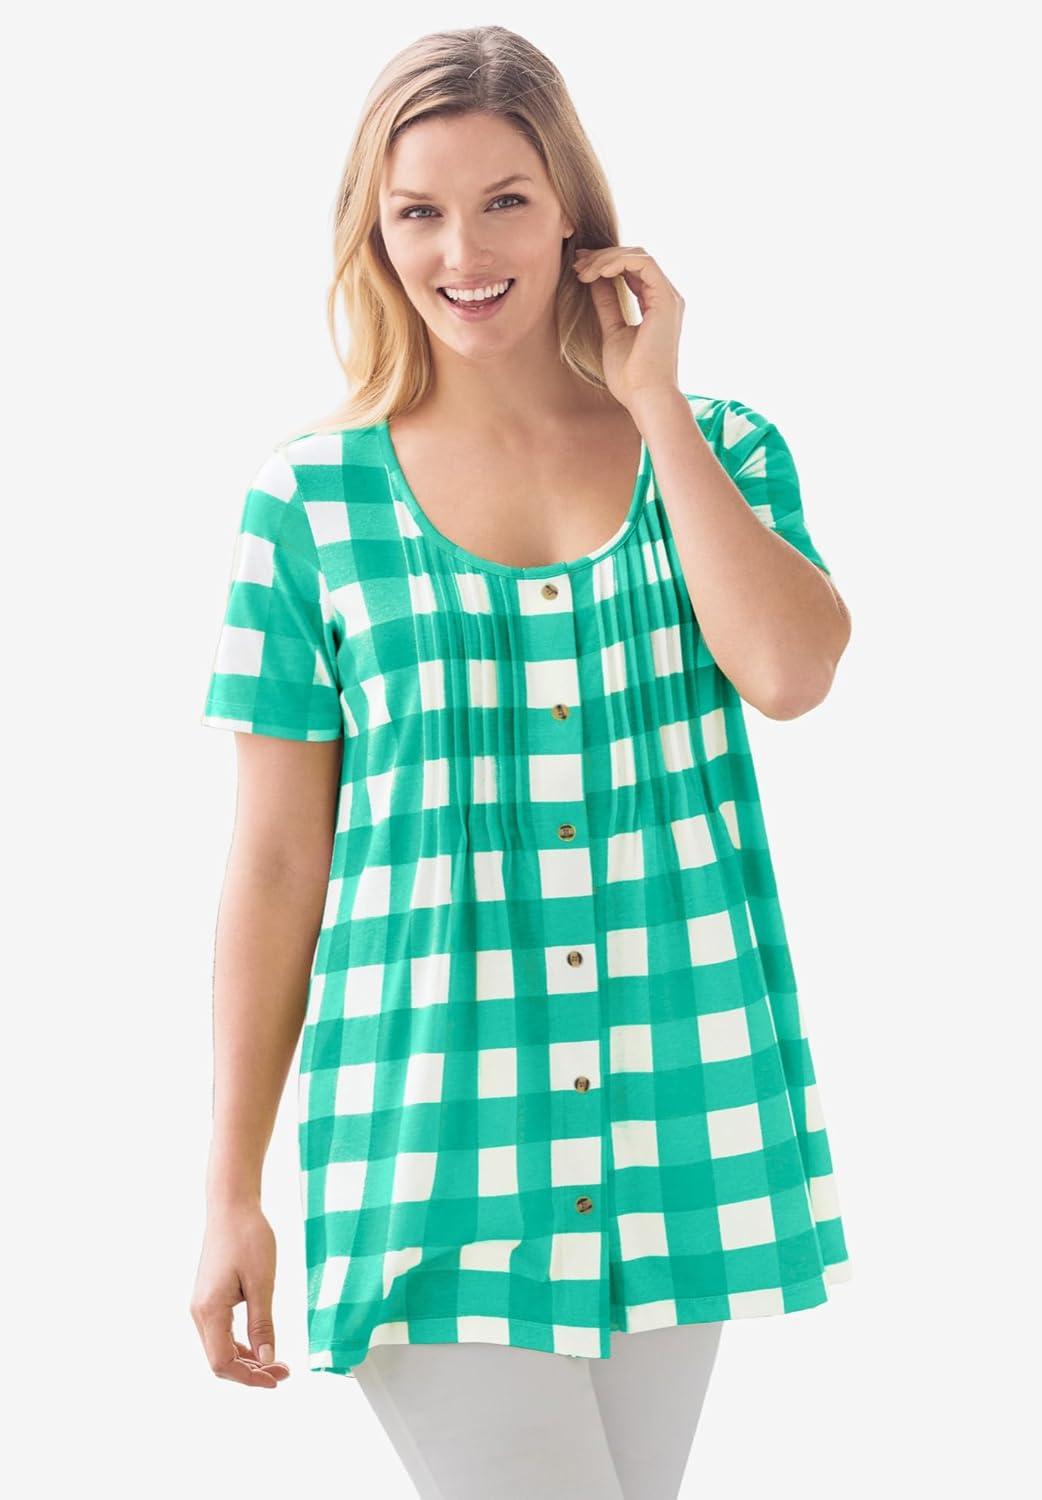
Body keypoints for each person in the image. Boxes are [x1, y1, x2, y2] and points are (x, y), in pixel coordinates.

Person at [191, 24, 854, 1500]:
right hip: (429, 1130)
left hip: (679, 1105)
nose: (463, 251)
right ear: (375, 232)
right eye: (419, 211)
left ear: (572, 213)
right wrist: (230, 1188)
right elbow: (277, 863)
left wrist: (655, 405)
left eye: (504, 200)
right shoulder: (308, 505)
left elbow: (792, 673)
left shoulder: (718, 449)